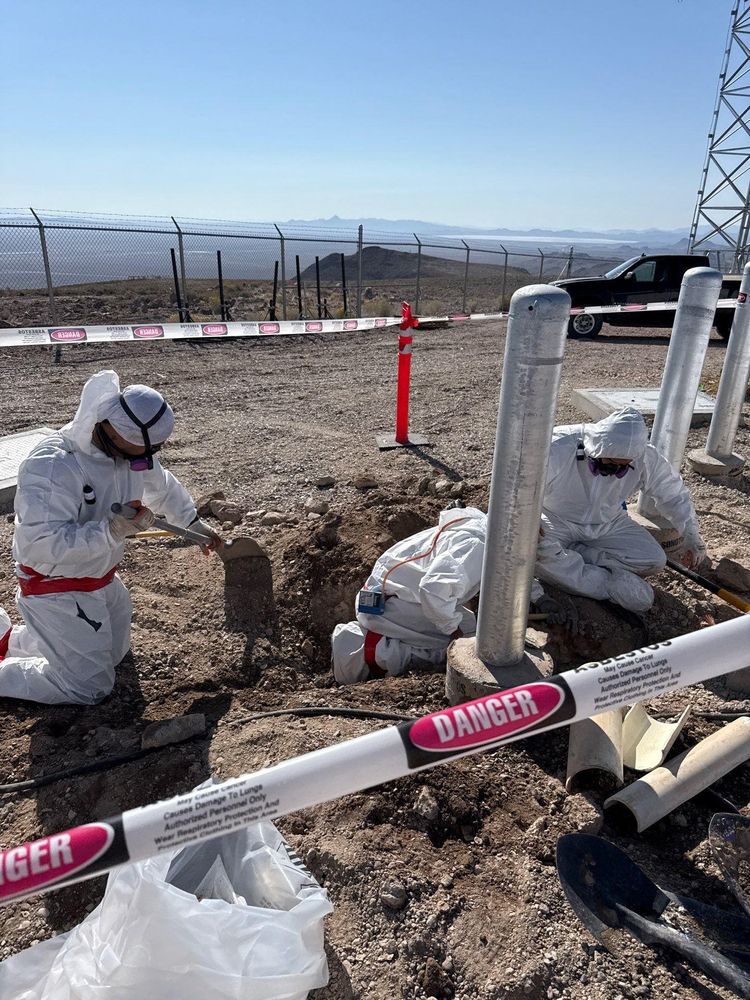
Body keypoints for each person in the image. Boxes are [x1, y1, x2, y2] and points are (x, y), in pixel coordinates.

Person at [0, 370, 220, 705]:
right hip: (55, 584)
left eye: (151, 452)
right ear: (109, 429)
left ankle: (8, 639)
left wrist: (192, 522)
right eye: (138, 452)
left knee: (113, 656)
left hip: (99, 579)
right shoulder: (54, 465)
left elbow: (160, 486)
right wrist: (110, 531)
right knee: (89, 686)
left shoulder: (129, 452)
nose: (143, 461)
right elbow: (39, 543)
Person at [331, 505, 556, 685]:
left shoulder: (492, 531)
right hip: (390, 607)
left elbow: (512, 567)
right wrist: (454, 632)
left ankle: (370, 649)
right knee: (471, 640)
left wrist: (539, 596)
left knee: (469, 628)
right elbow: (432, 590)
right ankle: (362, 653)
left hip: (392, 598)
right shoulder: (476, 546)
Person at [535, 406, 705, 614]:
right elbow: (520, 486)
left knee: (655, 561)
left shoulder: (645, 457)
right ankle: (608, 586)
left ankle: (576, 557)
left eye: (622, 467)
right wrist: (527, 522)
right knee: (528, 550)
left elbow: (673, 494)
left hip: (608, 523)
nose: (612, 472)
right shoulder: (558, 446)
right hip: (555, 519)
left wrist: (691, 534)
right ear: (592, 451)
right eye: (606, 465)